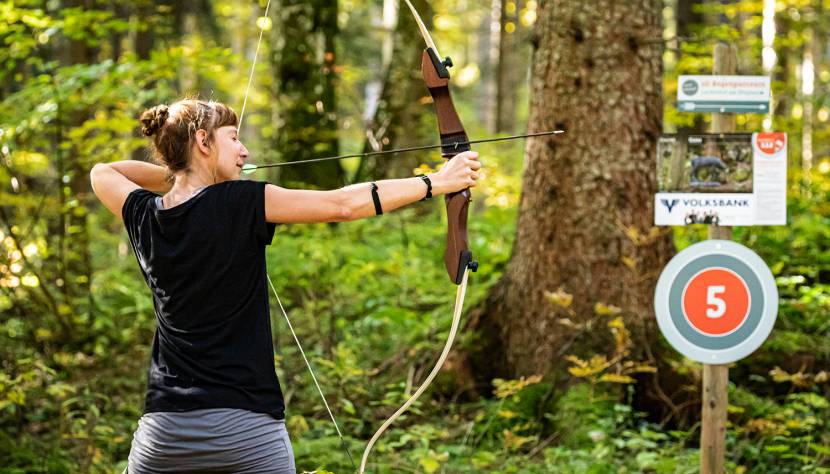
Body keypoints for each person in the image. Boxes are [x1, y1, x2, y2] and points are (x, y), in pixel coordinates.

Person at [89, 98, 481, 473]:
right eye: (233, 137)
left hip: (164, 435)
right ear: (202, 142)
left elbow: (102, 172)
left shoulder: (144, 215)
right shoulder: (238, 201)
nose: (243, 151)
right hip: (247, 431)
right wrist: (436, 182)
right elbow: (342, 205)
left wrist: (184, 175)